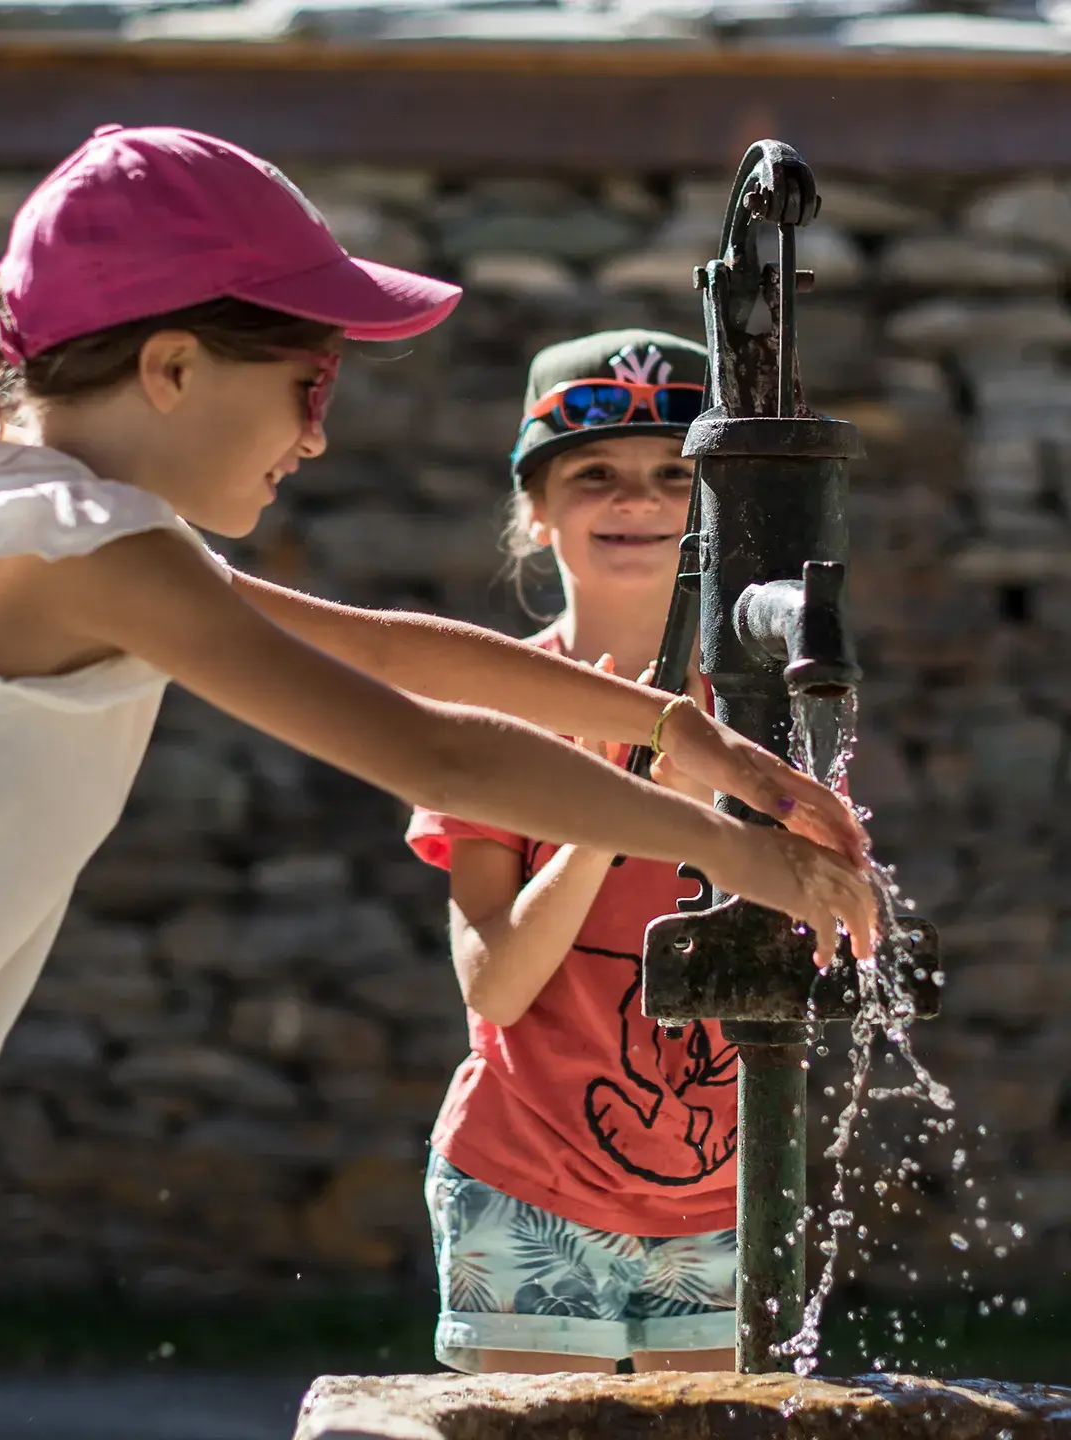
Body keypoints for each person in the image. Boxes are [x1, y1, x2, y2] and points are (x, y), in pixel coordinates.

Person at [0, 129, 872, 1440]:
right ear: (173, 367)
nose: (320, 437)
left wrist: (693, 737)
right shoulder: (68, 542)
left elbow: (391, 645)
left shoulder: (62, 516)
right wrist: (735, 852)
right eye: (308, 382)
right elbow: (431, 747)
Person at [412, 331, 751, 1377]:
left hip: (731, 1195)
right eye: (594, 473)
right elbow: (499, 985)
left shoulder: (772, 722)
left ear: (717, 508)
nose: (637, 500)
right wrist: (616, 812)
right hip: (522, 1182)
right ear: (536, 509)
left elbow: (819, 957)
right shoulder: (487, 711)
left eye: (673, 475)